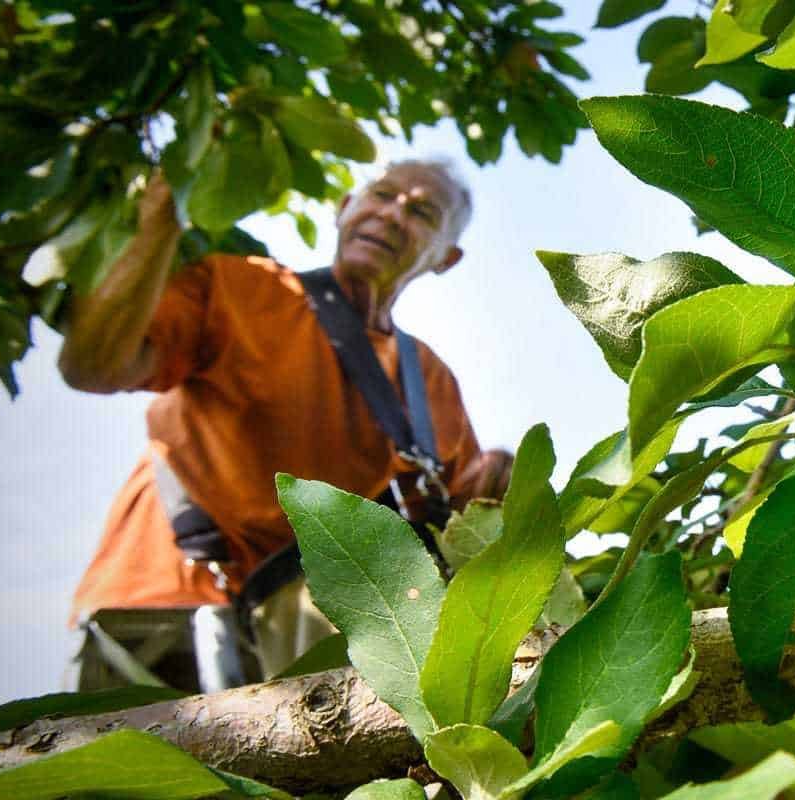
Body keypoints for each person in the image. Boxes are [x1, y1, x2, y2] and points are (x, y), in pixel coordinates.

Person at [57, 159, 512, 690]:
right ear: (346, 209)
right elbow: (94, 365)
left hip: (308, 641)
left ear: (445, 258)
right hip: (161, 609)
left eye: (422, 213)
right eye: (381, 195)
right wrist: (159, 219)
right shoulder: (243, 289)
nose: (391, 215)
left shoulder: (429, 379)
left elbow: (456, 529)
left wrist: (498, 487)